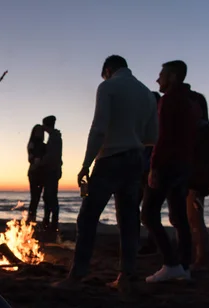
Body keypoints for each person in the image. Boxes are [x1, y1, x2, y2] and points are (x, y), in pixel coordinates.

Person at [56, 55, 158, 290]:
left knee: (88, 217)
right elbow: (153, 135)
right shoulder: (146, 94)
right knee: (129, 219)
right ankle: (126, 275)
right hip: (135, 160)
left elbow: (99, 127)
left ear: (108, 70)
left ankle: (77, 275)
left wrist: (85, 163)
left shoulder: (108, 87)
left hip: (110, 159)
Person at [141, 60, 201, 282]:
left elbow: (162, 137)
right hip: (184, 165)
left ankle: (171, 263)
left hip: (167, 164)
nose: (158, 79)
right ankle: (184, 267)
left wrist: (154, 167)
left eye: (161, 75)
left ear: (173, 77)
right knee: (179, 217)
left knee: (147, 214)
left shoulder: (168, 101)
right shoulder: (191, 101)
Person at [185, 87, 209, 269]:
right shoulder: (200, 131)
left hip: (196, 184)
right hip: (192, 183)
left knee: (195, 220)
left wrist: (200, 185)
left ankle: (201, 259)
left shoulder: (206, 133)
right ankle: (196, 256)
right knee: (191, 219)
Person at [137, 92, 162, 256]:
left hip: (151, 170)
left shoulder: (159, 123)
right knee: (138, 208)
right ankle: (141, 242)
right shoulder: (146, 122)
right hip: (141, 170)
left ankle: (154, 244)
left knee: (148, 211)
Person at [41, 115, 63, 233]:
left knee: (51, 197)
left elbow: (52, 156)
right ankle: (49, 222)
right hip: (52, 171)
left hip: (52, 171)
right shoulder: (54, 137)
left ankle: (52, 224)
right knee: (49, 197)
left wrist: (41, 161)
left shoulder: (54, 138)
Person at [27, 124, 46, 223]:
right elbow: (30, 158)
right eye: (38, 131)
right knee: (34, 197)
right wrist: (37, 161)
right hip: (34, 173)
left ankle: (32, 218)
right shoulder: (32, 144)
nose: (40, 133)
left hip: (41, 174)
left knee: (37, 197)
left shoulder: (44, 145)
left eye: (41, 131)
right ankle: (31, 218)